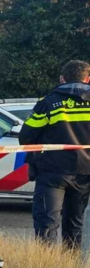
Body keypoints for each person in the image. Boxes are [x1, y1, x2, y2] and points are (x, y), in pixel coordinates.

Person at [20, 60, 90, 248]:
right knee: (75, 225)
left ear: (62, 79)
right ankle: (70, 265)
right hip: (85, 173)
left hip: (52, 172)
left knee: (47, 225)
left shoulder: (49, 102)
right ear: (87, 79)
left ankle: (47, 265)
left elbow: (26, 136)